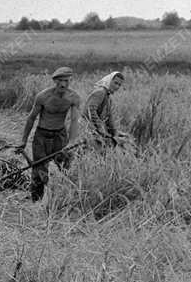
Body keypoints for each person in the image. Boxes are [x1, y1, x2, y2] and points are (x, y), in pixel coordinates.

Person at [18, 66, 82, 201]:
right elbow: (31, 118)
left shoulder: (73, 97)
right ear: (55, 81)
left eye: (66, 81)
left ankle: (64, 198)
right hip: (42, 136)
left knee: (65, 166)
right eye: (60, 81)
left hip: (60, 135)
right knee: (39, 169)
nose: (63, 84)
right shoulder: (43, 96)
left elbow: (75, 120)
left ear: (70, 81)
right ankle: (36, 200)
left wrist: (71, 142)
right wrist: (23, 140)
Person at [85, 71, 125, 147]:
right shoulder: (100, 92)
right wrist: (100, 127)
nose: (117, 87)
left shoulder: (108, 97)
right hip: (87, 128)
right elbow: (90, 110)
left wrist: (115, 132)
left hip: (95, 129)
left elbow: (109, 118)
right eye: (115, 83)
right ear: (109, 81)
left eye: (119, 85)